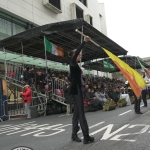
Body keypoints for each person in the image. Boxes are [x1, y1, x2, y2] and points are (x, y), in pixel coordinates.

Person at [69, 36, 94, 144]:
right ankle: (86, 136)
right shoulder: (72, 62)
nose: (80, 55)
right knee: (81, 113)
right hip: (76, 90)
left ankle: (74, 134)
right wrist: (84, 42)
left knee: (76, 114)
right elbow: (77, 52)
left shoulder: (76, 65)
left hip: (77, 89)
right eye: (78, 54)